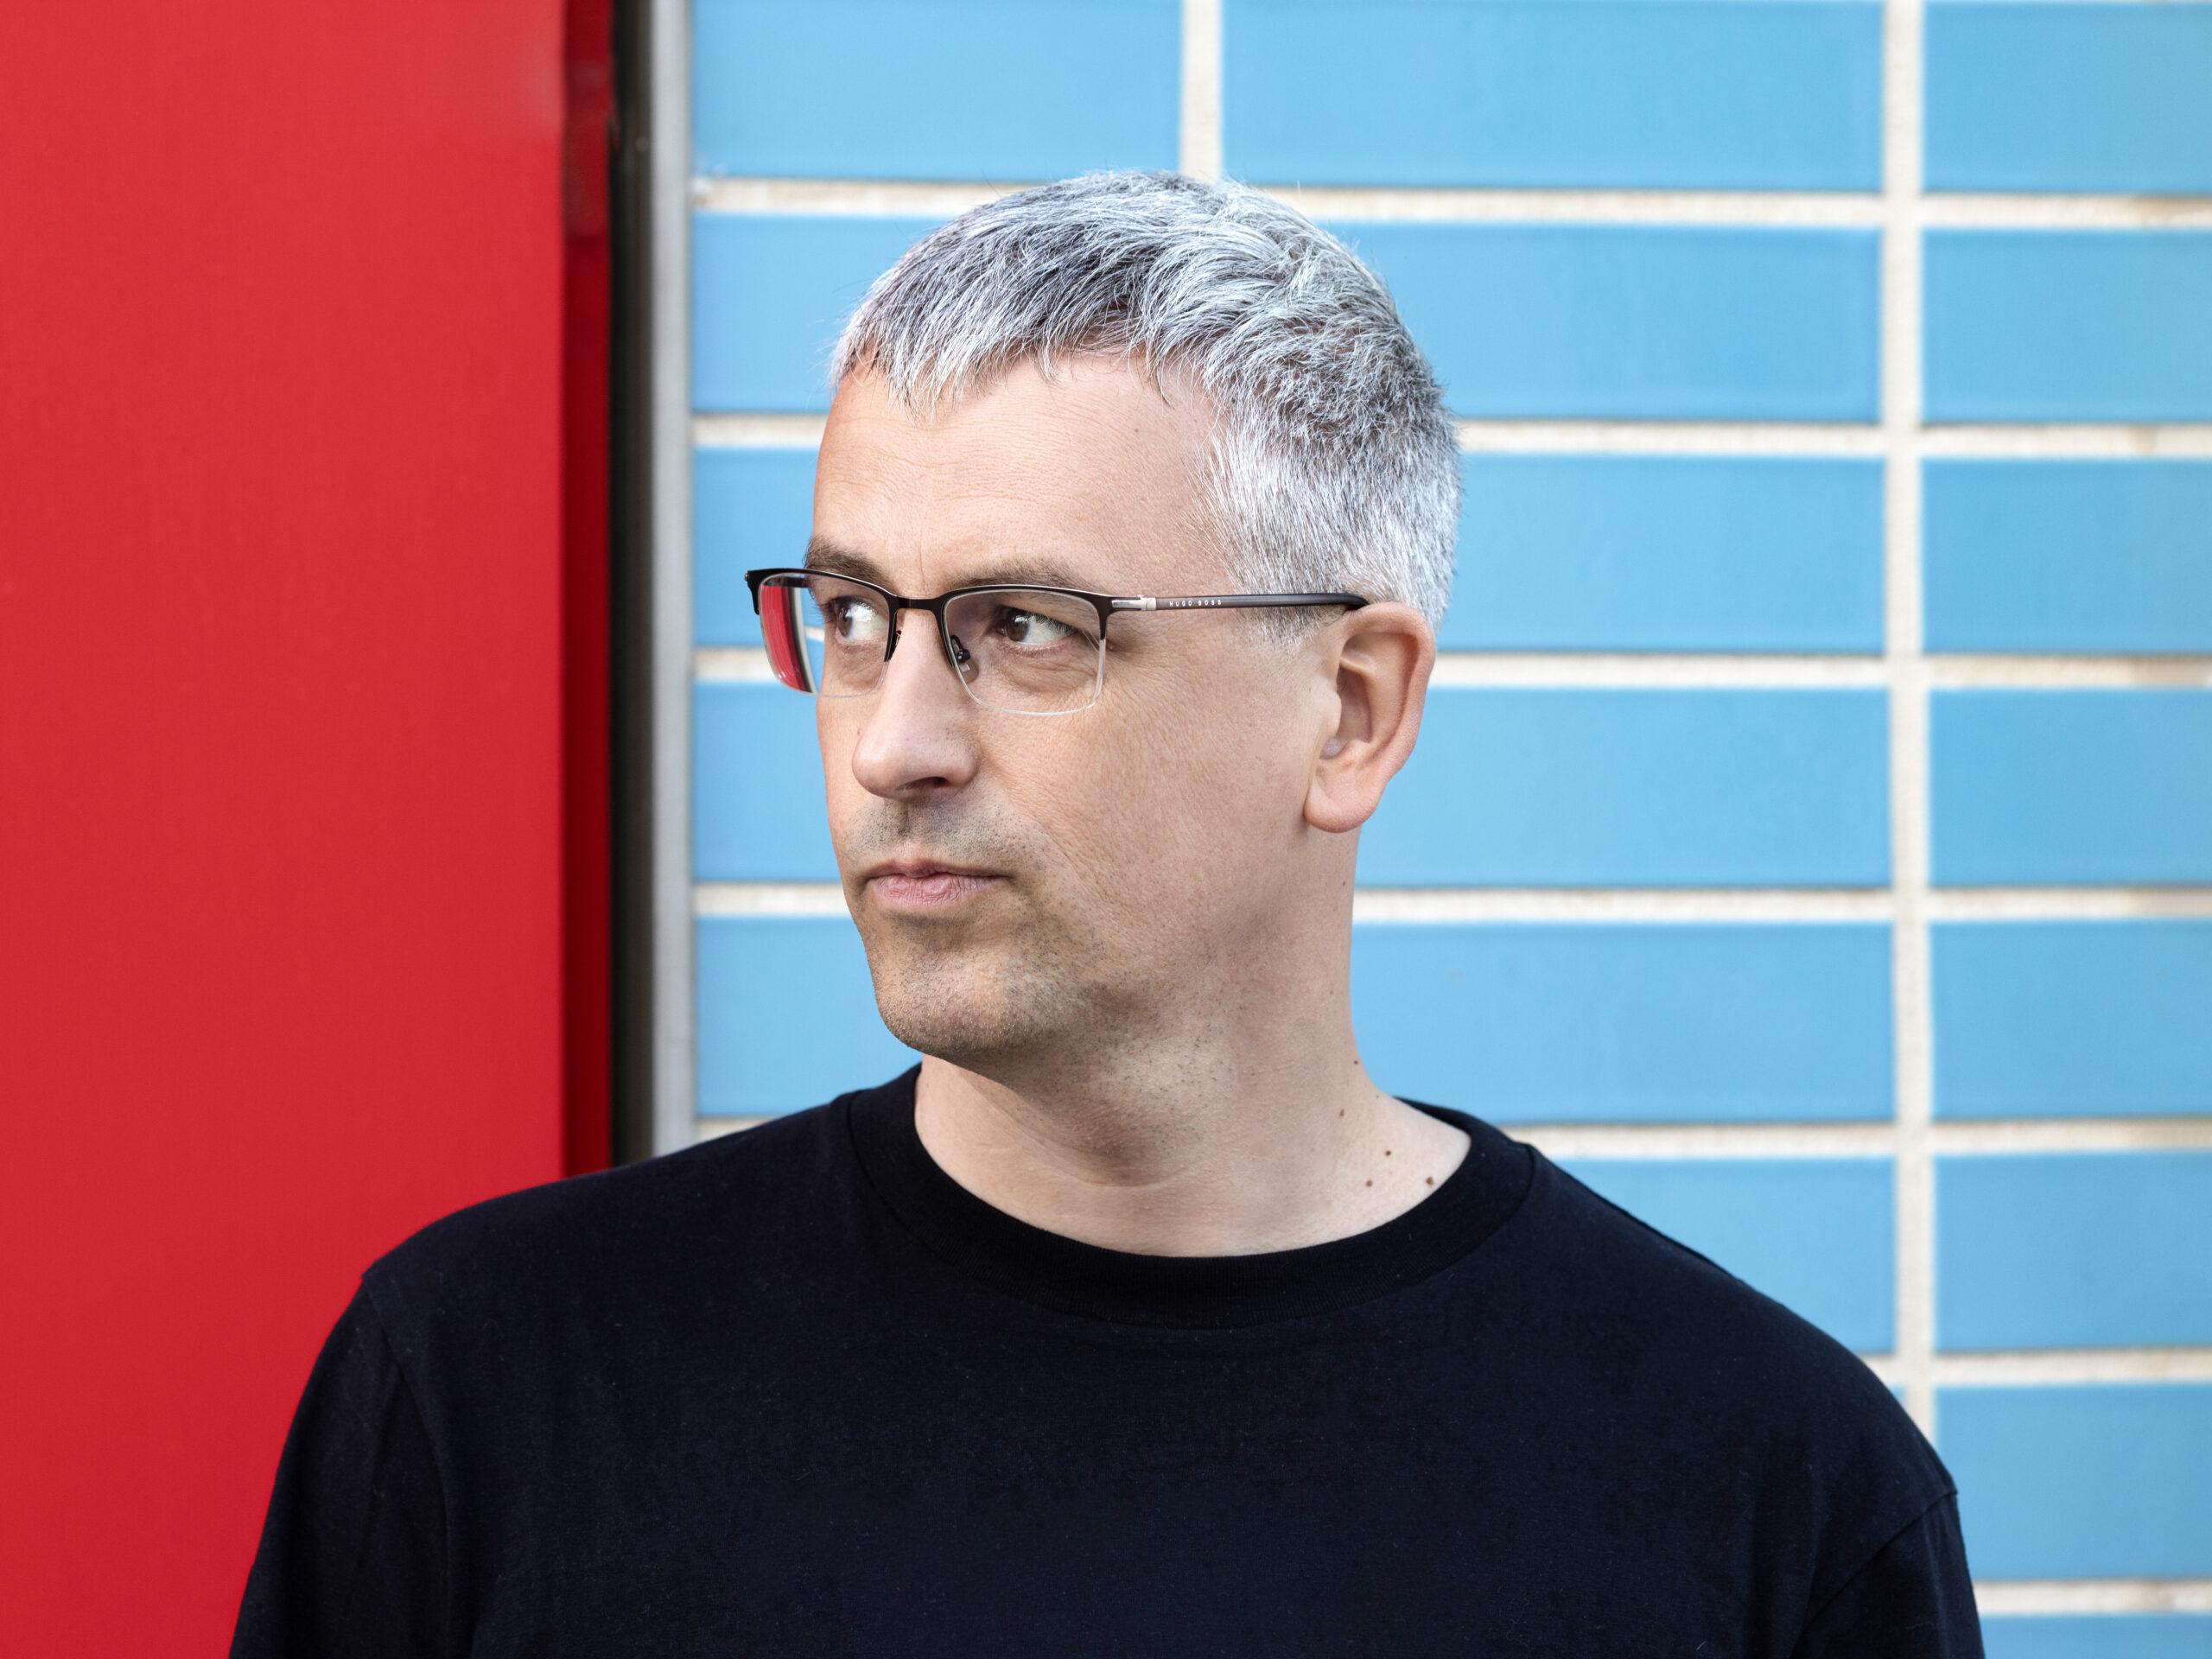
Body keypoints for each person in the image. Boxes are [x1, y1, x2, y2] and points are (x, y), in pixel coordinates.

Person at [231, 169, 1982, 1656]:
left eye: (1024, 628)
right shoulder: (487, 1395)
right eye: (853, 618)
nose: (895, 743)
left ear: (1351, 710)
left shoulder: (1761, 1494)